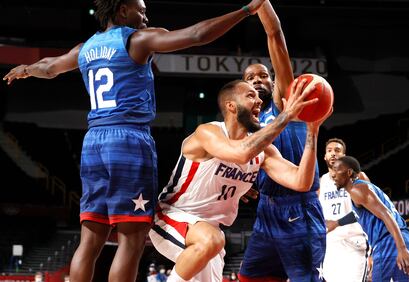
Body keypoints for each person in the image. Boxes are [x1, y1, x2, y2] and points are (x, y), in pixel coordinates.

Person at [2, 0, 267, 281]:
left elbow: (50, 67)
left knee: (90, 240)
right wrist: (245, 11)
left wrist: (27, 69)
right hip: (128, 140)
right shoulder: (137, 39)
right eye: (140, 10)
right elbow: (197, 35)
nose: (145, 16)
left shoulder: (85, 48)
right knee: (131, 240)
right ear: (121, 11)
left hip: (93, 142)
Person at [149, 78, 329, 282]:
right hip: (173, 216)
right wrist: (286, 115)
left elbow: (301, 182)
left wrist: (312, 132)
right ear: (231, 106)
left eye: (259, 96)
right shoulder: (207, 132)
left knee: (213, 239)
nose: (259, 100)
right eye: (251, 95)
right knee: (212, 239)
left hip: (210, 232)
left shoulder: (264, 152)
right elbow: (240, 153)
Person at [238, 1, 326, 281]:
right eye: (250, 78)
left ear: (275, 83)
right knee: (250, 277)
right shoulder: (248, 125)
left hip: (298, 205)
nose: (257, 80)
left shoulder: (285, 104)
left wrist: (261, 5)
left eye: (263, 75)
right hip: (266, 209)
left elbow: (276, 38)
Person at [332, 155, 409, 281]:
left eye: (337, 169)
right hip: (401, 239)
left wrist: (401, 248)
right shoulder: (364, 192)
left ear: (349, 172)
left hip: (390, 243)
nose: (333, 174)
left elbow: (386, 214)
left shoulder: (357, 189)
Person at [318, 138, 371, 282]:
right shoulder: (321, 182)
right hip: (331, 245)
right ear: (325, 157)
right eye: (329, 151)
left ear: (344, 156)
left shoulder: (358, 176)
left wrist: (337, 222)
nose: (333, 154)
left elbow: (369, 210)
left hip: (354, 241)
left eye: (337, 150)